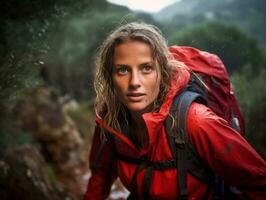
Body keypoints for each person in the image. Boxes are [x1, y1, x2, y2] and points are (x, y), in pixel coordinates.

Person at [84, 22, 266, 200]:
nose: (134, 82)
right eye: (122, 70)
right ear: (110, 77)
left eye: (146, 68)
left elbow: (258, 182)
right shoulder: (111, 119)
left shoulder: (196, 121)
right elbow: (101, 175)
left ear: (162, 73)